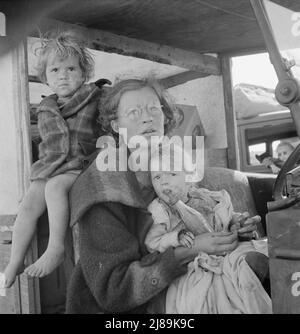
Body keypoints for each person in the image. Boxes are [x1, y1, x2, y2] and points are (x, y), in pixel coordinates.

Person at [65, 78, 261, 314]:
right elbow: (114, 290)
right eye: (134, 112)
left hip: (191, 276)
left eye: (153, 109)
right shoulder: (102, 185)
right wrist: (189, 250)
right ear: (116, 126)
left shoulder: (177, 168)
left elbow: (201, 222)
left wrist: (230, 229)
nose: (147, 118)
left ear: (165, 116)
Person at [3, 30, 108, 288]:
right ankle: (14, 261)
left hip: (80, 164)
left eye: (71, 69)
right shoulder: (45, 107)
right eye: (55, 70)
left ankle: (56, 247)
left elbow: (110, 120)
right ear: (45, 77)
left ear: (84, 73)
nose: (63, 74)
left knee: (55, 187)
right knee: (28, 204)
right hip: (50, 166)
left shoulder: (95, 97)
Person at [145, 144, 271, 313]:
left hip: (228, 250)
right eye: (157, 177)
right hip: (196, 263)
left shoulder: (205, 196)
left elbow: (225, 217)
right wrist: (176, 237)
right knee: (208, 292)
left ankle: (260, 274)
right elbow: (153, 243)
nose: (164, 181)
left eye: (172, 174)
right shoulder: (160, 210)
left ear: (189, 175)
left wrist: (238, 223)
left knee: (261, 253)